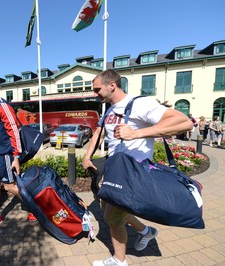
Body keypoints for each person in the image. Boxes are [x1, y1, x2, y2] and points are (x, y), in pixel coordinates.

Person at [82, 70, 193, 266]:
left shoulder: (140, 103)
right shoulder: (109, 109)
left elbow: (184, 123)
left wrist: (136, 133)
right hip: (116, 168)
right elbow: (98, 132)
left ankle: (119, 260)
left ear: (112, 85)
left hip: (133, 171)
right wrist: (87, 155)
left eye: (97, 89)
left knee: (112, 218)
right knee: (108, 206)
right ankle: (145, 231)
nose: (95, 93)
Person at [0, 75, 36, 227]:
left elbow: (14, 130)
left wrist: (16, 156)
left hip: (6, 155)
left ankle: (35, 209)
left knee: (9, 186)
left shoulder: (2, 106)